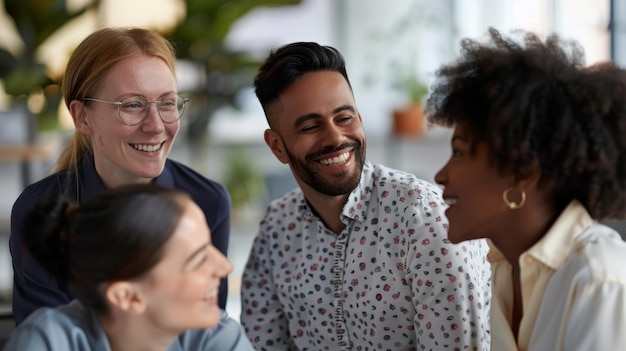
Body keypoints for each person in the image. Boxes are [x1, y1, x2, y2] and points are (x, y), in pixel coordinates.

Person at [240, 42, 491, 350]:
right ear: (277, 146)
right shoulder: (276, 230)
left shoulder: (425, 219)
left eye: (344, 118)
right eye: (310, 126)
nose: (335, 138)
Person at [10, 27, 231, 325]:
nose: (155, 126)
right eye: (132, 105)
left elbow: (205, 332)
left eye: (167, 103)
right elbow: (43, 340)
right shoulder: (40, 212)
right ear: (82, 117)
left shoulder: (208, 202)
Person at [428, 28, 626, 350]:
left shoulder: (598, 279)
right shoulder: (506, 270)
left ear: (521, 173)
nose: (441, 174)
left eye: (460, 152)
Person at [3, 184, 252, 351]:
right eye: (198, 260)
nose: (225, 266)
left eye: (209, 246)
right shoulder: (47, 342)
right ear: (128, 296)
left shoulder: (218, 338)